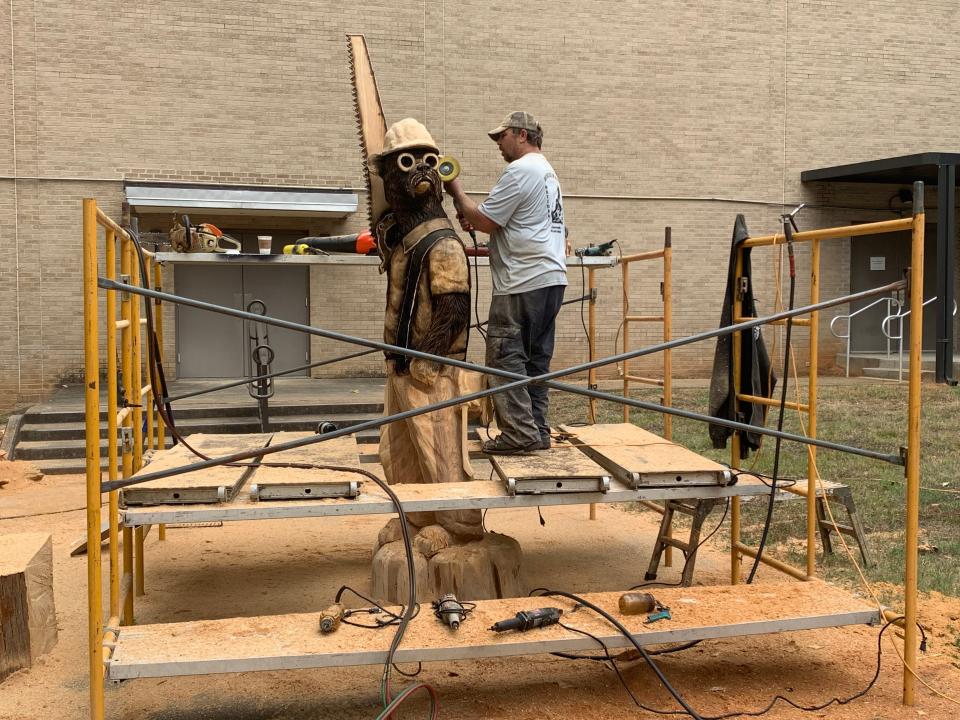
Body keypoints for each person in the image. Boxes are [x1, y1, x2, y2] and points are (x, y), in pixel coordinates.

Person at [445, 111, 567, 454]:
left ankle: (519, 435)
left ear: (522, 135)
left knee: (505, 358)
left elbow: (485, 219)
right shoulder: (547, 174)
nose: (499, 143)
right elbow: (509, 227)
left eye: (503, 136)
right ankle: (537, 431)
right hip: (549, 280)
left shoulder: (520, 171)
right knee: (534, 362)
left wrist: (456, 191)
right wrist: (487, 234)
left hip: (521, 283)